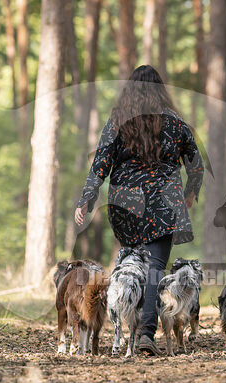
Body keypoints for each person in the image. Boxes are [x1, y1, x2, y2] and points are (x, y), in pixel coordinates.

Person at [75, 65, 204, 355]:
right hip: (164, 204)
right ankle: (146, 333)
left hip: (125, 205)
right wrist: (189, 194)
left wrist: (86, 200)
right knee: (155, 269)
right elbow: (197, 166)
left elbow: (100, 166)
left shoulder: (118, 121)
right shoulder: (175, 123)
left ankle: (130, 333)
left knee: (133, 266)